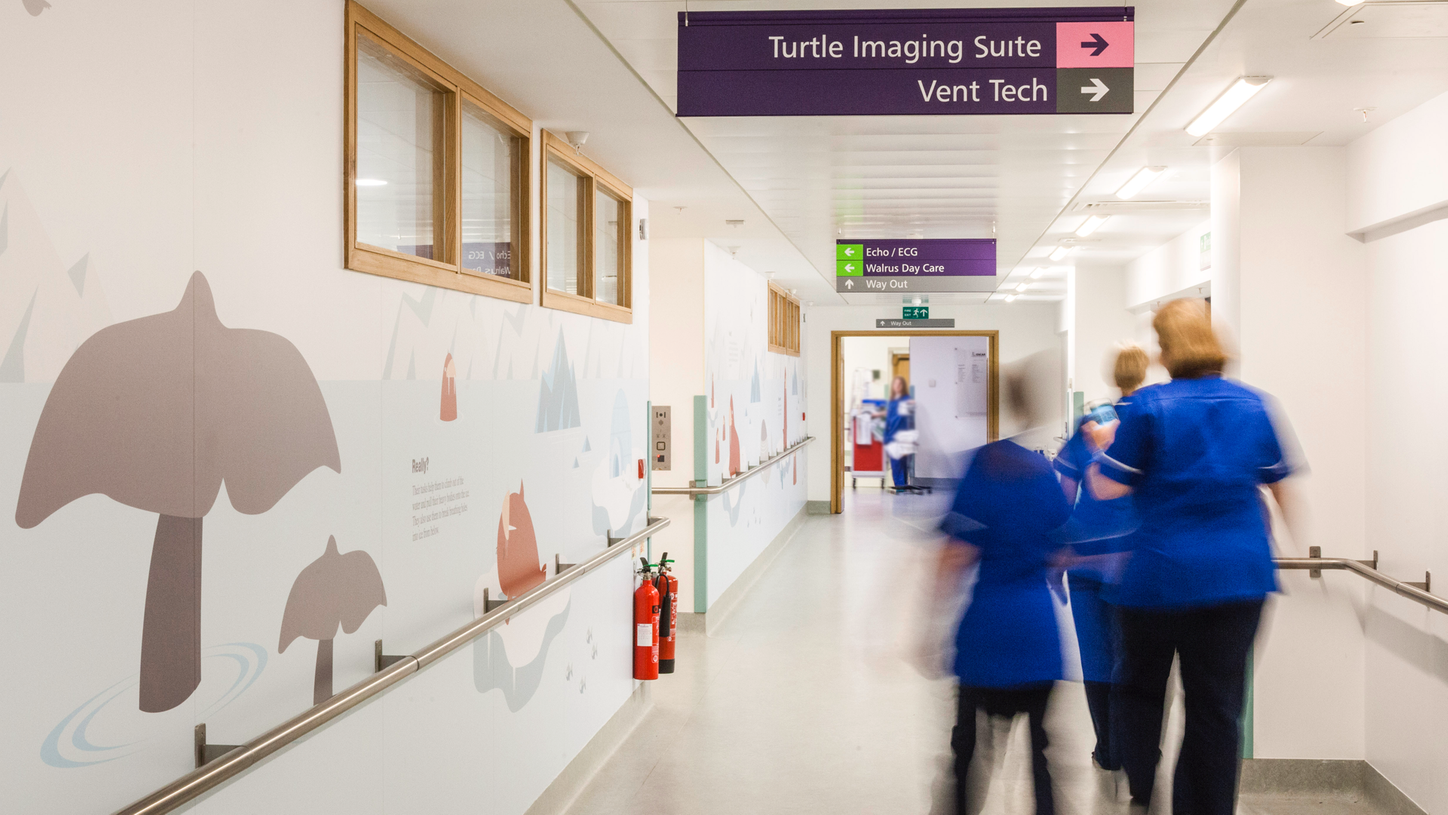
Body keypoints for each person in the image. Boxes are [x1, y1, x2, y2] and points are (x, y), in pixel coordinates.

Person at [1083, 299, 1301, 815]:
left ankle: (1142, 794)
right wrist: (1286, 548)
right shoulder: (1255, 405)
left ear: (1167, 348)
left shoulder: (1151, 407)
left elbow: (1107, 488)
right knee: (1218, 709)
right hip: (1238, 580)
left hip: (1160, 579)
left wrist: (1101, 445)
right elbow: (1282, 488)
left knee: (1139, 692)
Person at [928, 362, 1072, 815]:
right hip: (1038, 632)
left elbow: (955, 557)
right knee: (1042, 757)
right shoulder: (1042, 473)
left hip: (986, 632)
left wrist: (928, 624)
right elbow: (1059, 551)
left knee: (968, 754)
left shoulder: (982, 466)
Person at [1053, 344, 1149, 776]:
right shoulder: (1151, 418)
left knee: (1096, 657)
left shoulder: (1089, 422)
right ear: (1145, 372)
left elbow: (1062, 494)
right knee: (1134, 656)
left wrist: (1055, 552)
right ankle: (1137, 750)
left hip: (1085, 557)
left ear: (1112, 375)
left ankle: (1107, 749)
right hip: (1137, 559)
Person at [883, 375, 913, 489]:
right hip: (892, 437)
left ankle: (902, 486)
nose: (897, 386)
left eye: (900, 384)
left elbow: (909, 420)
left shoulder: (907, 400)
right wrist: (886, 438)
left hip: (903, 437)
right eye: (895, 384)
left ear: (903, 386)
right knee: (896, 464)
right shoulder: (891, 402)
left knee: (902, 463)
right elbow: (887, 421)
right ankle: (900, 486)